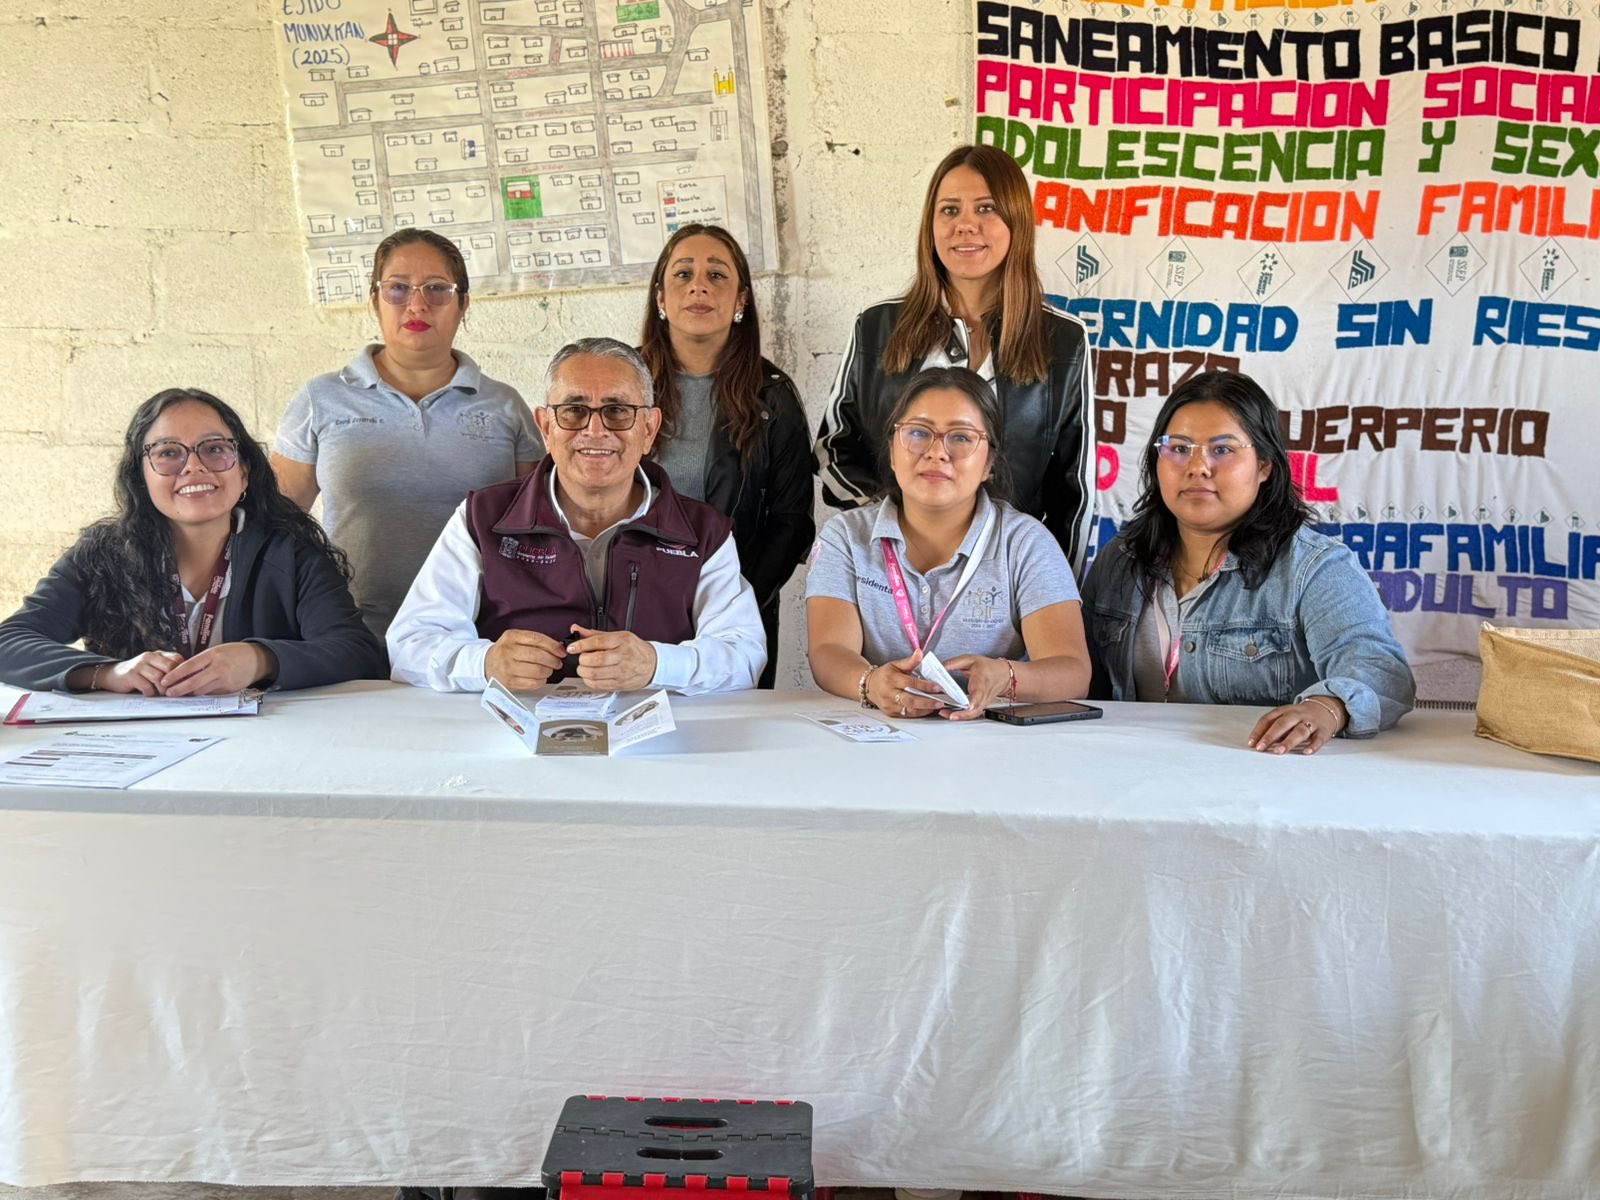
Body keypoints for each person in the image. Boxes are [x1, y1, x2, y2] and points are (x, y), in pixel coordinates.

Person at [387, 337, 765, 695]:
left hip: (659, 734)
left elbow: (746, 655)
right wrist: (484, 663)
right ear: (545, 427)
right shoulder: (483, 519)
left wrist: (658, 665)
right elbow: (410, 644)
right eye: (574, 410)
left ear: (649, 429)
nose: (595, 430)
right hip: (515, 732)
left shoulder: (702, 532)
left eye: (617, 410)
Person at [1080, 369, 1415, 753]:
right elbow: (1081, 678)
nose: (1197, 467)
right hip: (1130, 767)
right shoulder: (1121, 560)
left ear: (1265, 466)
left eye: (1222, 449)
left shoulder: (1313, 568)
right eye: (1179, 448)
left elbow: (1382, 672)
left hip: (1261, 770)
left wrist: (1327, 708)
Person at [813, 144, 1096, 570]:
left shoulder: (1063, 339)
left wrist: (1053, 591)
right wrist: (892, 517)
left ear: (1017, 221)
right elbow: (833, 446)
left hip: (1007, 577)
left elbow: (1074, 491)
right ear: (930, 226)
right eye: (949, 210)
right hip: (890, 572)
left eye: (986, 208)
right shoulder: (877, 326)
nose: (965, 225)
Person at [0, 388, 387, 694]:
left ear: (245, 472)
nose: (194, 467)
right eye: (168, 453)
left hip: (264, 745)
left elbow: (358, 651)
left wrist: (259, 660)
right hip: (138, 748)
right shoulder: (101, 555)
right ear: (141, 478)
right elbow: (9, 643)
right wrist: (107, 673)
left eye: (215, 449)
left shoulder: (292, 551)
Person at [271, 227, 542, 636]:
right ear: (374, 302)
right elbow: (278, 526)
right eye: (397, 288)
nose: (417, 304)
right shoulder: (321, 399)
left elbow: (540, 528)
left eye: (437, 289)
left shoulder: (504, 405)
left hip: (475, 639)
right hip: (349, 634)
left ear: (463, 304)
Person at [806, 366, 1091, 720]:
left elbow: (1073, 670)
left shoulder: (1026, 543)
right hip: (881, 732)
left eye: (961, 437)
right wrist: (869, 683)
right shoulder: (846, 537)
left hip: (992, 739)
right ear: (892, 451)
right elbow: (828, 650)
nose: (937, 452)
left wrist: (1007, 677)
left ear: (989, 463)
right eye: (918, 433)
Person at [640, 222, 814, 688]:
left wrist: (735, 599)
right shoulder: (623, 385)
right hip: (633, 607)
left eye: (717, 275)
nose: (698, 285)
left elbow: (792, 521)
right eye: (683, 274)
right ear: (660, 298)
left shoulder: (772, 397)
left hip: (734, 617)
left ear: (741, 301)